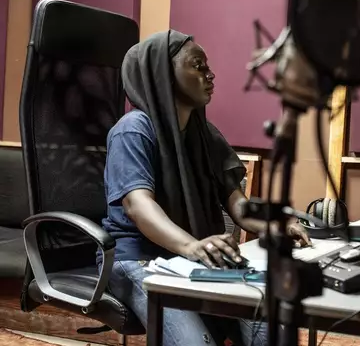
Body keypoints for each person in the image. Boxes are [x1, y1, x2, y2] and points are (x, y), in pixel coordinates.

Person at [98, 29, 311, 346]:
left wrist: (278, 224)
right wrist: (192, 247)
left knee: (274, 333)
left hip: (189, 258)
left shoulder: (205, 133)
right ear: (163, 74)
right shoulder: (132, 130)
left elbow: (238, 204)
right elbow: (138, 206)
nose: (210, 74)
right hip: (138, 259)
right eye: (197, 65)